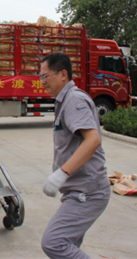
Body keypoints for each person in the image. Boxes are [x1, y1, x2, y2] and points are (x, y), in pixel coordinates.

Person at [40, 53, 110, 259]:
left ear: (63, 74)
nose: (42, 82)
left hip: (88, 192)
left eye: (46, 76)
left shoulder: (74, 99)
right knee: (68, 247)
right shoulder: (64, 100)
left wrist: (62, 173)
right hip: (77, 190)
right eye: (41, 76)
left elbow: (93, 140)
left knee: (53, 242)